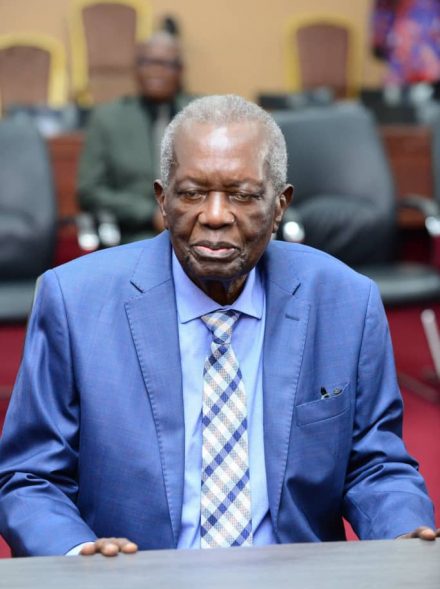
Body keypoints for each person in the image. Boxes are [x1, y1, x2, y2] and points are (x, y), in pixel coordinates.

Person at [0, 95, 438, 558]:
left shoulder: (344, 302)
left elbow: (375, 464)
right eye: (191, 193)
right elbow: (30, 477)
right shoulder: (75, 301)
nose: (214, 215)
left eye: (242, 195)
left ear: (280, 205)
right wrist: (77, 554)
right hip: (133, 579)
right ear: (162, 200)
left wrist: (403, 536)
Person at [77, 31, 192, 243]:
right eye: (147, 63)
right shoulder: (108, 119)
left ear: (180, 70)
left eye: (166, 64)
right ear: (136, 69)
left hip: (193, 229)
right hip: (132, 234)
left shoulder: (198, 115)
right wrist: (148, 213)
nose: (156, 71)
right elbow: (89, 191)